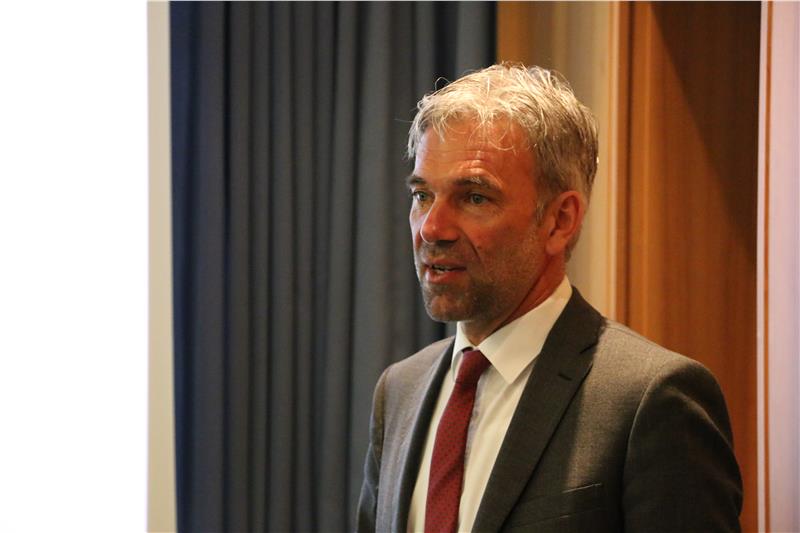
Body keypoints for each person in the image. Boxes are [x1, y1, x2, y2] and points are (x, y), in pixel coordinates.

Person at [356, 63, 742, 532]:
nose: (432, 228)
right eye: (422, 196)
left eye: (474, 197)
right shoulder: (400, 390)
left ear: (560, 220)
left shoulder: (650, 399)